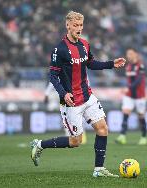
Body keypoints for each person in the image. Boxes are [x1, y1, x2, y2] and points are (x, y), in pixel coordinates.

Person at [30, 11, 126, 177]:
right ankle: (39, 144)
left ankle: (98, 169)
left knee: (103, 129)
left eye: (81, 25)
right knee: (76, 141)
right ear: (67, 25)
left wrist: (111, 64)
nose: (79, 28)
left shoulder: (84, 44)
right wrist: (63, 93)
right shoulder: (59, 49)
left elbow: (91, 64)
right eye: (75, 25)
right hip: (71, 102)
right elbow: (52, 76)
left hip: (87, 96)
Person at [115, 48, 147, 145]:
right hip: (129, 96)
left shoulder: (140, 66)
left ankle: (143, 137)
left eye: (130, 53)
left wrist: (128, 88)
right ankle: (122, 136)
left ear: (136, 54)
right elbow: (130, 80)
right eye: (127, 54)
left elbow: (139, 80)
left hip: (140, 96)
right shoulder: (128, 66)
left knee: (141, 116)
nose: (128, 55)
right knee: (125, 114)